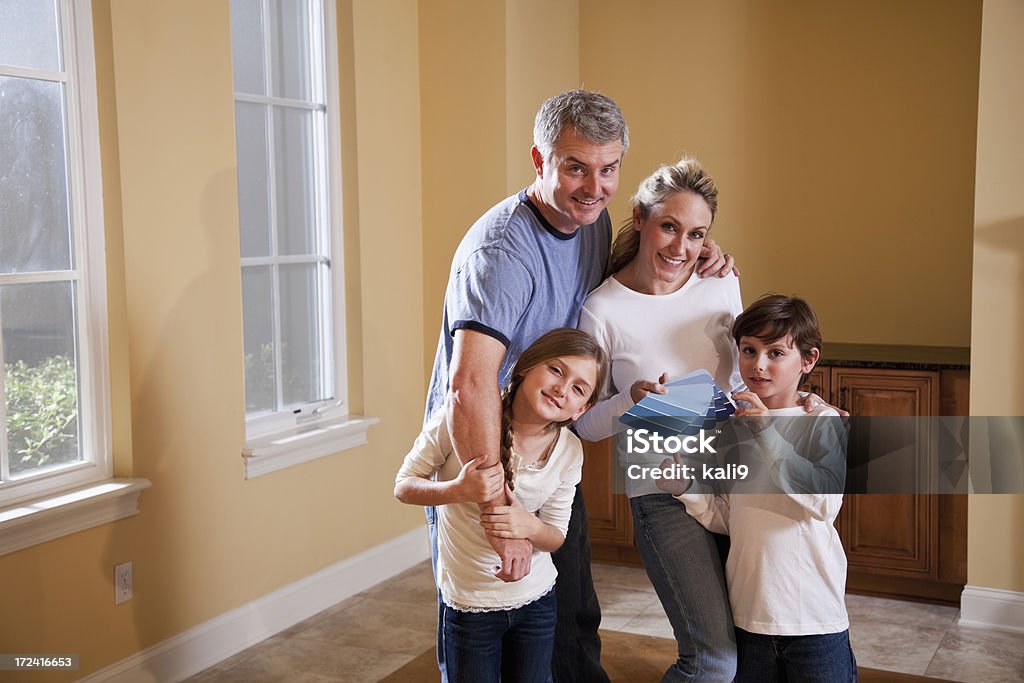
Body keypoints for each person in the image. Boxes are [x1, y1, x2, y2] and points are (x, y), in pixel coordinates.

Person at [424, 90, 735, 683]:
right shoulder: (501, 253)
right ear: (539, 162)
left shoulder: (589, 224)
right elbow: (469, 386)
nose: (593, 186)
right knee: (482, 639)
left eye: (608, 168)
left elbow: (640, 281)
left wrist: (697, 254)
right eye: (575, 167)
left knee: (570, 629)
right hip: (482, 458)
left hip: (554, 454)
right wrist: (500, 509)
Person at [575, 156, 742, 682]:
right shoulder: (602, 309)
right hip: (662, 488)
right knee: (713, 661)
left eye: (697, 234)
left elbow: (739, 385)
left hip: (737, 473)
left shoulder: (721, 284)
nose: (681, 248)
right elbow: (584, 424)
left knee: (759, 644)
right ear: (640, 218)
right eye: (669, 226)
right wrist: (633, 402)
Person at [657, 295, 857, 682]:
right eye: (749, 350)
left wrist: (768, 432)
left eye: (775, 353)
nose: (758, 364)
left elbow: (823, 503)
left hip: (813, 622)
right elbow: (730, 519)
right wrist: (687, 489)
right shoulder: (735, 426)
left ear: (809, 359)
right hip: (749, 621)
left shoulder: (822, 420)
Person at [397, 329, 609, 683]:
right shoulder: (460, 420)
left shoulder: (570, 451)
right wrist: (457, 489)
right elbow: (404, 486)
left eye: (578, 388)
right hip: (470, 605)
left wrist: (528, 526)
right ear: (525, 366)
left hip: (537, 601)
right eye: (556, 370)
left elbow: (555, 536)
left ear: (581, 409)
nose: (562, 389)